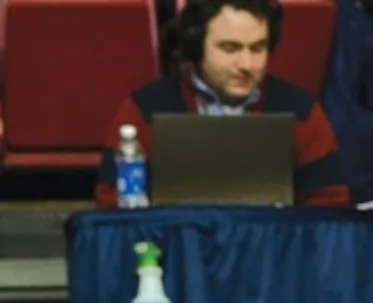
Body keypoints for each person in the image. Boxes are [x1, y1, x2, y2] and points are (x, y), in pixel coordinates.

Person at [96, 0, 350, 208]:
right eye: (230, 48)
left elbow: (331, 209)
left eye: (258, 48)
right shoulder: (144, 111)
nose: (247, 65)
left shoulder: (301, 113)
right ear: (196, 47)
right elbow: (111, 209)